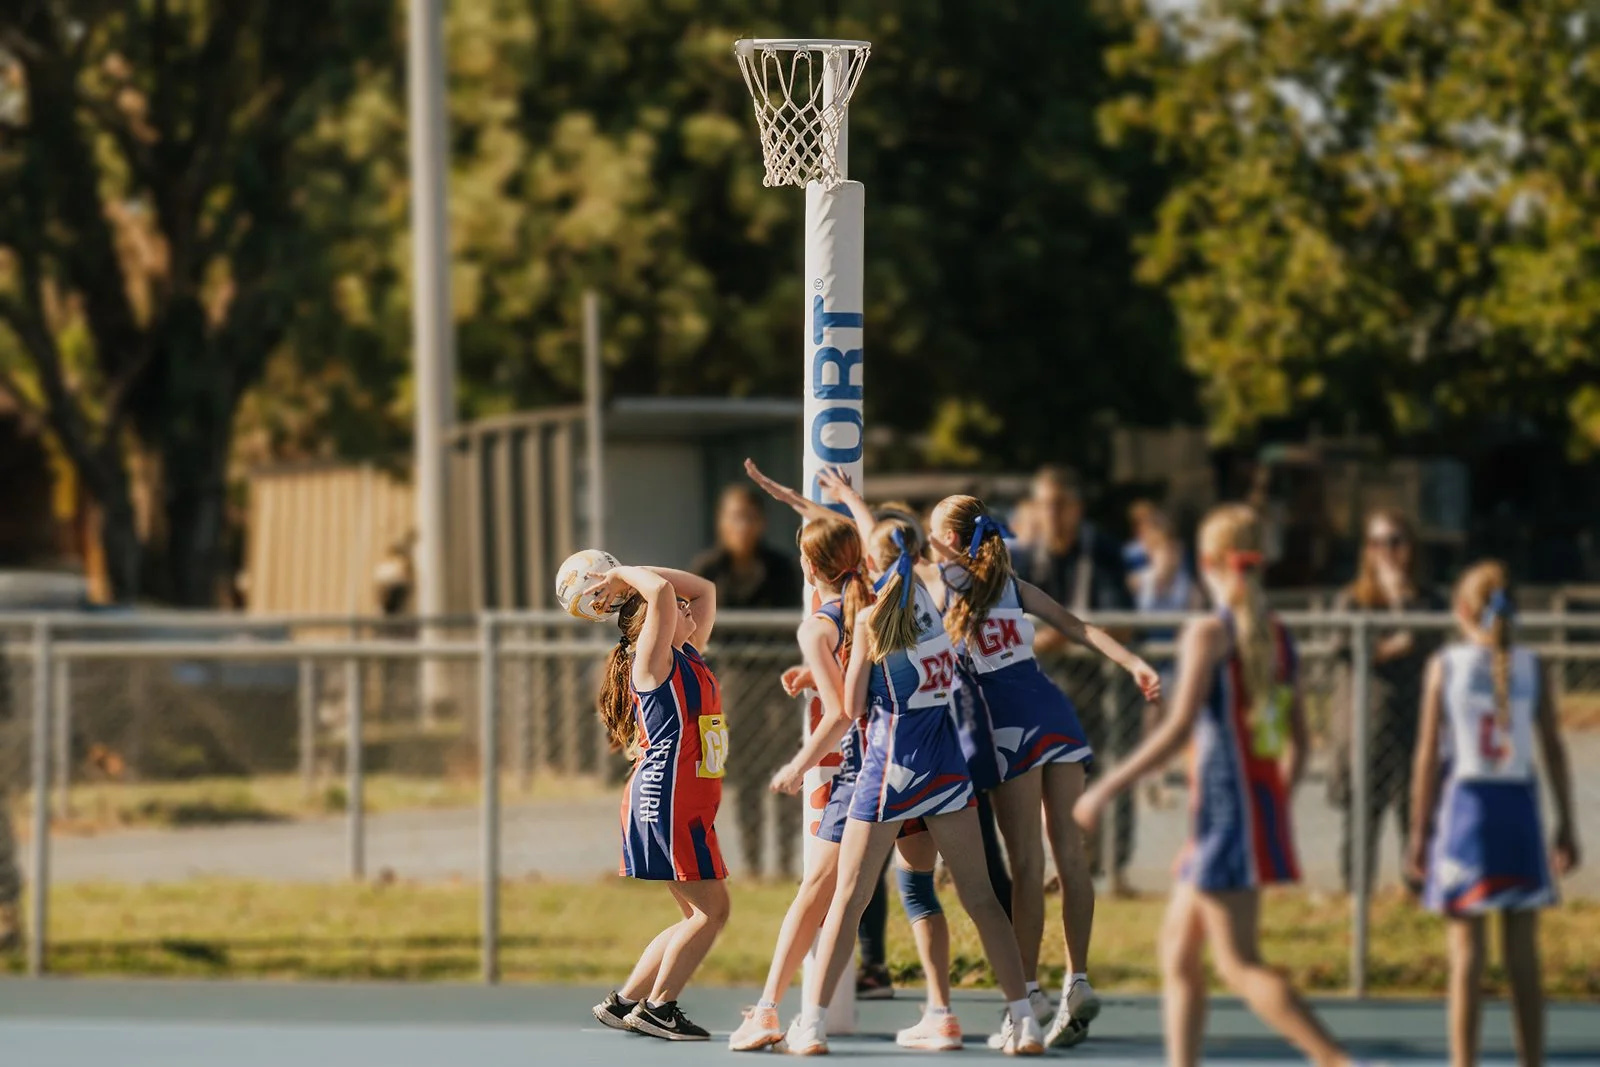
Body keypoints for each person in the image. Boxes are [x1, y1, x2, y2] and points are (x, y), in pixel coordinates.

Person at [1073, 504, 1358, 1067]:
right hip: (1243, 811)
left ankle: (1337, 1060)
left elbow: (1178, 727)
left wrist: (1104, 789)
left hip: (1226, 817)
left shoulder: (1209, 632)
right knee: (1178, 955)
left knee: (1238, 963)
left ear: (1206, 563)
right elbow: (1300, 739)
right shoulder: (1277, 635)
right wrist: (1274, 800)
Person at [786, 513, 1046, 1056]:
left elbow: (853, 706)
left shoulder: (869, 619)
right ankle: (1025, 1020)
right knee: (980, 898)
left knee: (848, 901)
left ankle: (810, 1024)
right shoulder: (931, 602)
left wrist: (833, 675)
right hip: (947, 765)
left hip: (891, 766)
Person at [728, 468, 960, 1053]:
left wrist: (800, 763)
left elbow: (839, 713)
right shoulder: (885, 587)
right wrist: (830, 501)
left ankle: (778, 1013)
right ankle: (945, 1010)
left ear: (808, 570)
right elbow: (862, 533)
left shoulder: (821, 624)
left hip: (871, 764)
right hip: (927, 752)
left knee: (823, 893)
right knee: (919, 890)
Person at [925, 495, 1161, 1050]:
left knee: (1027, 864)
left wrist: (843, 507)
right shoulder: (1012, 585)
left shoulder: (941, 586)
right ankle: (1077, 978)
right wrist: (1134, 664)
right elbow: (1079, 627)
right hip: (1056, 714)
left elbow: (879, 548)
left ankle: (1025, 1001)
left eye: (932, 530)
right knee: (1070, 857)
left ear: (949, 541)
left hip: (1010, 728)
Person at [1405, 562, 1580, 1067]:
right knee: (1524, 955)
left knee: (1466, 956)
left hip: (1466, 811)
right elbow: (1553, 747)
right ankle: (1533, 1059)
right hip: (1519, 809)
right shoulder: (1534, 665)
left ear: (1461, 611)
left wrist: (1420, 831)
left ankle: (1465, 1062)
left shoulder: (1445, 664)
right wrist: (1566, 821)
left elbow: (1425, 755)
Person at [586, 564, 729, 1041]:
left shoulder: (688, 654)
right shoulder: (654, 662)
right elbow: (665, 590)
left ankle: (625, 1001)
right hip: (667, 800)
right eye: (674, 611)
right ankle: (659, 1008)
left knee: (695, 914)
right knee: (713, 912)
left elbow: (701, 589)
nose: (685, 607)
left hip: (682, 800)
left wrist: (629, 579)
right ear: (655, 626)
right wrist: (620, 572)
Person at [1012, 465, 1139, 892]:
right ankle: (1054, 865)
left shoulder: (1101, 551)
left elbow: (1121, 621)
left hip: (1099, 679)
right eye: (1045, 505)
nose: (1052, 514)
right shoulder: (1025, 558)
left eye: (1060, 505)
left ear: (1076, 509)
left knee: (1106, 765)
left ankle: (1111, 868)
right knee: (1038, 773)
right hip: (1039, 679)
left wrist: (1062, 634)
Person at [691, 484, 802, 877]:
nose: (741, 525)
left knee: (786, 765)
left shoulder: (782, 567)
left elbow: (793, 627)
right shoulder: (708, 570)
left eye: (748, 517)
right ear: (722, 523)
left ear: (761, 522)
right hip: (731, 682)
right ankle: (754, 863)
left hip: (778, 679)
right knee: (744, 775)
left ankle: (786, 860)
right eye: (733, 517)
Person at [1331, 509, 1444, 892]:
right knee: (1362, 816)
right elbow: (1347, 648)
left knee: (1417, 814)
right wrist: (1392, 644)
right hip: (1367, 720)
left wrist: (1399, 603)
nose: (1386, 552)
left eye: (1395, 541)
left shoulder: (1428, 600)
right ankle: (1357, 897)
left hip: (1417, 721)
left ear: (1411, 547)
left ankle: (1418, 888)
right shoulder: (1353, 600)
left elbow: (1427, 641)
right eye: (1377, 543)